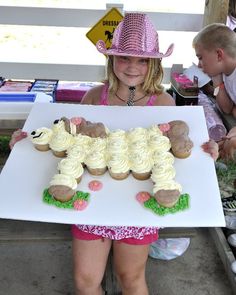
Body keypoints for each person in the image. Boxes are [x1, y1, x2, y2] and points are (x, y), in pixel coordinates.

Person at [72, 12, 175, 295]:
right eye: (124, 57)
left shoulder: (163, 102)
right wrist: (25, 143)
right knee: (85, 281)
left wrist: (206, 149)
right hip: (94, 201)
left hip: (137, 205)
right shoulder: (94, 96)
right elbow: (72, 141)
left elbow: (177, 149)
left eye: (142, 59)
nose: (132, 67)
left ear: (154, 63)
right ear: (111, 59)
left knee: (130, 277)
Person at [192, 23, 236, 118]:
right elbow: (226, 108)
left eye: (200, 58)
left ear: (219, 55)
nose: (199, 65)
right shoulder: (222, 71)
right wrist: (217, 81)